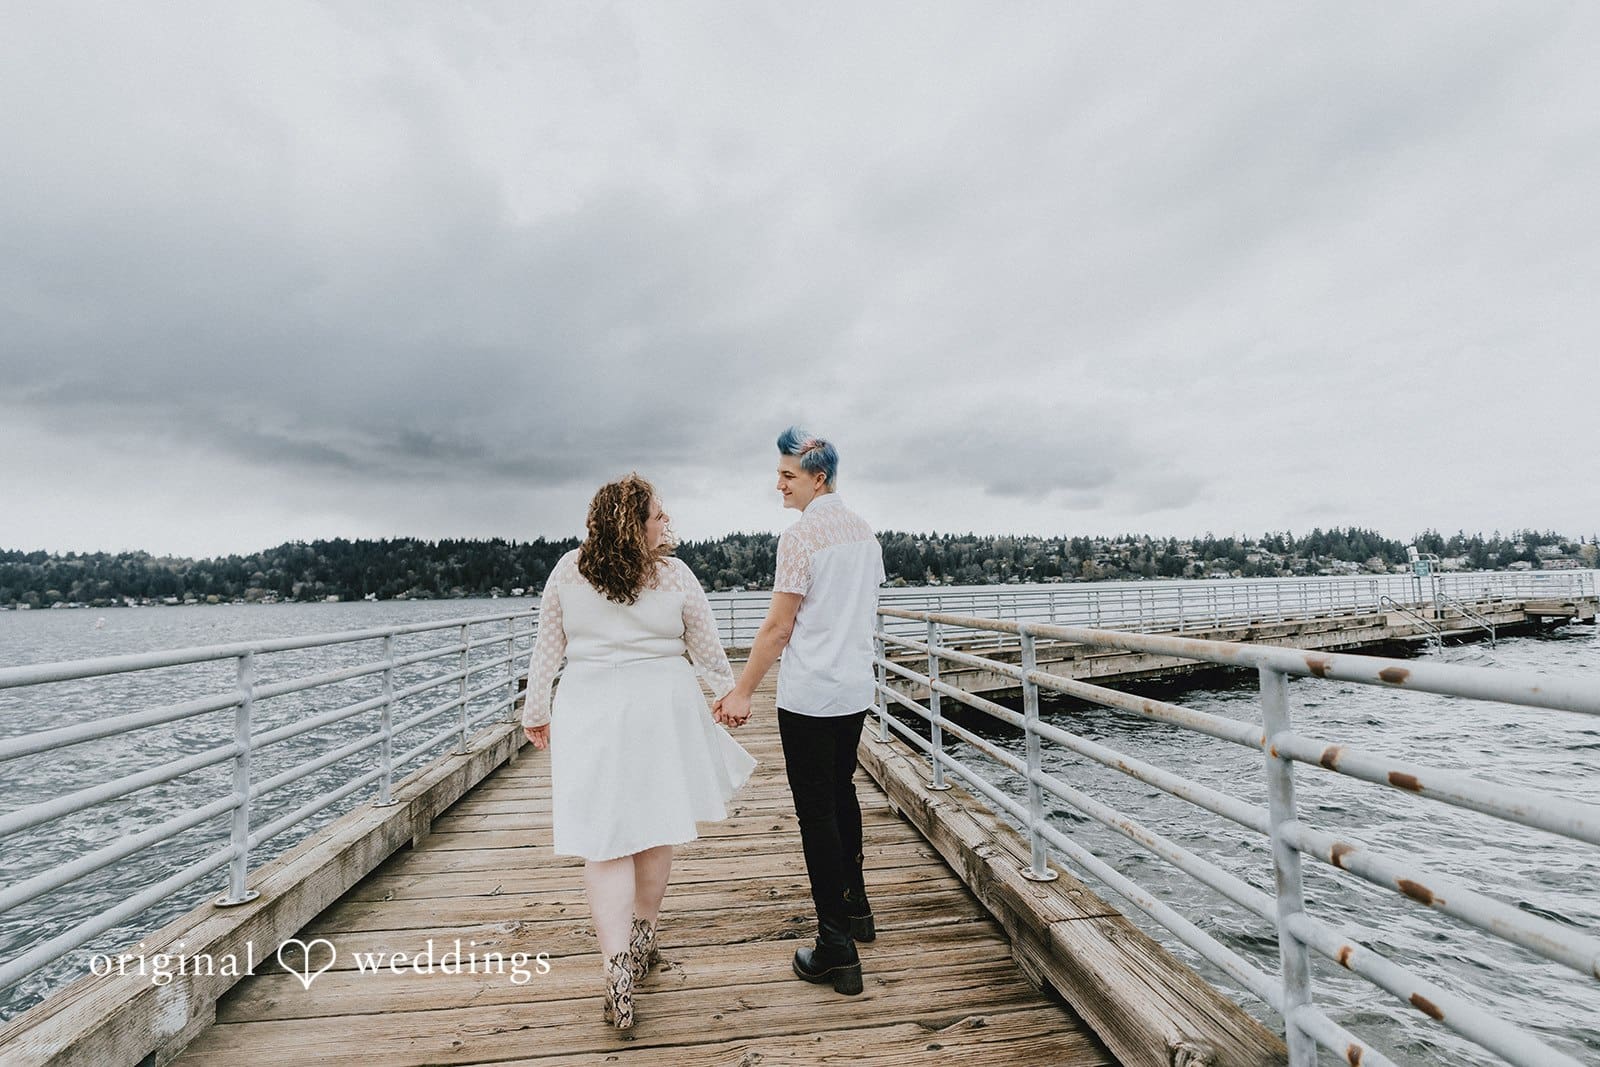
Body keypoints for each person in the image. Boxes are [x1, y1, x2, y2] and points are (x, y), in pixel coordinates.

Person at [521, 473, 756, 1030]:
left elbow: (546, 651)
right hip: (661, 708)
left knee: (603, 839)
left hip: (589, 708)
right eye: (658, 516)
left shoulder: (567, 570)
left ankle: (617, 967)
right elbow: (705, 646)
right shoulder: (674, 577)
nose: (666, 523)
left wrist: (536, 710)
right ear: (635, 523)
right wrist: (725, 694)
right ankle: (643, 937)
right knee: (654, 825)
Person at [714, 427, 885, 996]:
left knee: (817, 812)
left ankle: (835, 945)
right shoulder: (865, 533)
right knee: (842, 792)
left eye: (788, 475)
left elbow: (778, 628)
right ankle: (857, 908)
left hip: (811, 696)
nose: (779, 484)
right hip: (854, 690)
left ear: (820, 477)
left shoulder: (802, 538)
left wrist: (741, 692)